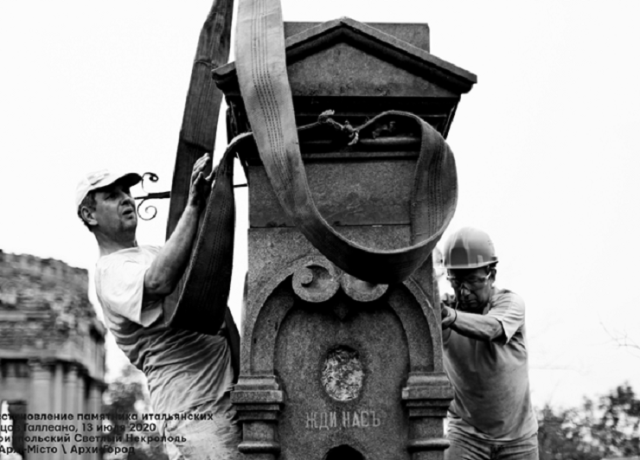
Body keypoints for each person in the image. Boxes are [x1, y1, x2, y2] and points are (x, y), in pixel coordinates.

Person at [76, 154, 240, 460]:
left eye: (126, 192)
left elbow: (215, 304)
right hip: (193, 415)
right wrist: (193, 205)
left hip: (229, 400)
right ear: (90, 215)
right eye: (112, 196)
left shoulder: (153, 252)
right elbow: (158, 283)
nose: (126, 199)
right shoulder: (109, 271)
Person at [439, 227, 538, 460]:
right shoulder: (443, 311)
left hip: (518, 440)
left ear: (491, 275)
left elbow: (492, 328)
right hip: (466, 436)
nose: (464, 290)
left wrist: (452, 318)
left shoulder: (510, 303)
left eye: (472, 280)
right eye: (456, 281)